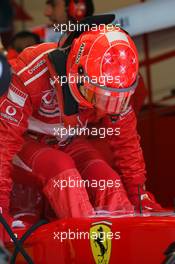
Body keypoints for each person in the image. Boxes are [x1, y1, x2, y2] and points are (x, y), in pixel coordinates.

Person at [0, 18, 163, 240]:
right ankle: (86, 246)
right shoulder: (29, 72)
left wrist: (139, 195)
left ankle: (125, 245)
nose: (106, 104)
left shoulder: (116, 81)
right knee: (62, 171)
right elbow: (3, 145)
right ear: (76, 73)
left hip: (66, 141)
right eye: (97, 94)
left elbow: (127, 142)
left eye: (114, 98)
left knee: (108, 180)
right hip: (22, 144)